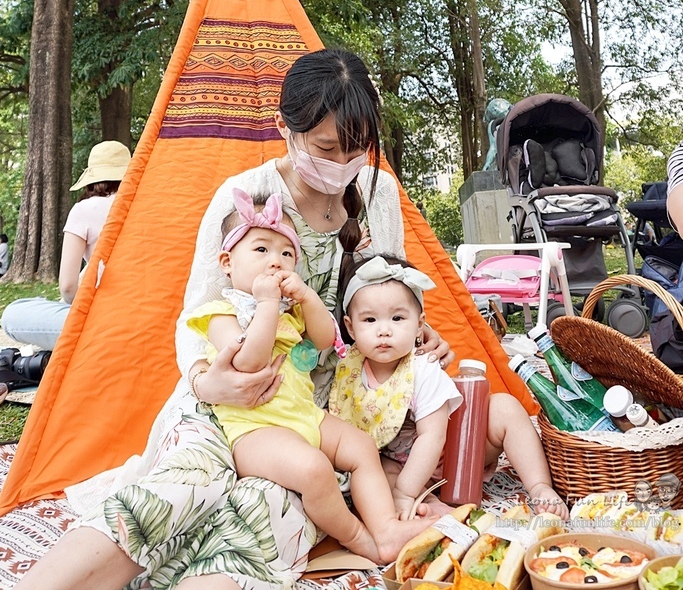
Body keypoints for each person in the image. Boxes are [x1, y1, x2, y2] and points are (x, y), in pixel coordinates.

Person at [16, 49, 452, 590]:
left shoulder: (377, 194)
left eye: (357, 148)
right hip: (227, 401)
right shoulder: (244, 197)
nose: (342, 163)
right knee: (174, 491)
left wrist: (416, 329)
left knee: (263, 514)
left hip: (314, 413)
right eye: (325, 148)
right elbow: (197, 313)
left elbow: (384, 293)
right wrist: (208, 379)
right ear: (284, 129)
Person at [187, 187, 436, 563]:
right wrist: (268, 305)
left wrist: (307, 299)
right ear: (227, 261)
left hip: (306, 416)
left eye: (286, 253)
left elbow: (324, 340)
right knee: (315, 469)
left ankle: (386, 527)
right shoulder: (221, 313)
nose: (276, 262)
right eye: (261, 250)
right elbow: (249, 363)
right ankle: (361, 539)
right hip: (256, 430)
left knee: (360, 446)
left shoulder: (290, 312)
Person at [331, 254, 570, 521]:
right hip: (401, 463)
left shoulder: (423, 369)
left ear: (420, 324)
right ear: (350, 327)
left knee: (505, 408)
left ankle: (540, 485)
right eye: (370, 321)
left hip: (457, 454)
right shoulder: (348, 370)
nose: (384, 331)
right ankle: (430, 503)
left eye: (397, 318)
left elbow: (432, 437)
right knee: (375, 471)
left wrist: (404, 493)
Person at [2, 141, 131, 350]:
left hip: (105, 323)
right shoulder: (147, 210)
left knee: (13, 314)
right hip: (145, 317)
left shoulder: (84, 209)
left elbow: (68, 287)